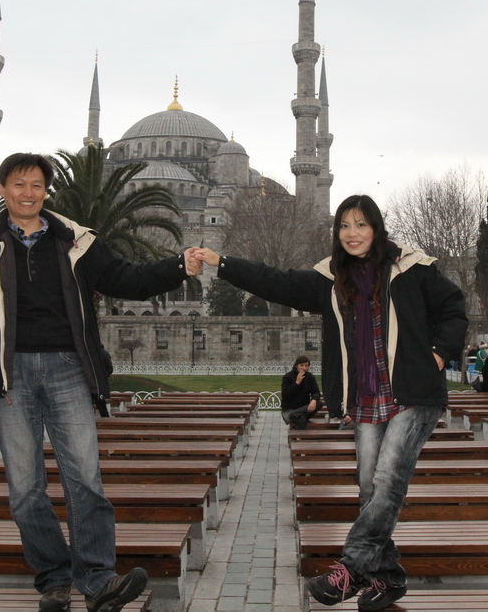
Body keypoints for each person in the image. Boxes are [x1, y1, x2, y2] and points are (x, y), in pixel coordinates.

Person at [0, 153, 206, 612]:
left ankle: (98, 580)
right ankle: (54, 579)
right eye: (18, 184)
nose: (27, 193)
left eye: (36, 185)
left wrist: (179, 266)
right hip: (8, 375)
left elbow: (127, 279)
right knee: (25, 490)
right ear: (1, 189)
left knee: (85, 479)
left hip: (67, 368)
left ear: (46, 192)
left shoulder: (75, 241)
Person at [199, 194, 467, 610]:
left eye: (361, 225)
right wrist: (222, 263)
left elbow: (453, 307)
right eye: (344, 226)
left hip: (413, 393)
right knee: (369, 486)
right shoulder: (330, 279)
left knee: (388, 479)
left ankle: (352, 569)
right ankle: (388, 577)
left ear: (376, 228)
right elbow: (275, 281)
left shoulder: (412, 268)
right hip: (366, 397)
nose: (352, 233)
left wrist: (438, 353)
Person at [281, 354, 324, 428]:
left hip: (304, 409)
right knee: (301, 420)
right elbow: (285, 395)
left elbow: (316, 392)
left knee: (319, 403)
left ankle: (296, 417)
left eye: (306, 366)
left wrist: (314, 400)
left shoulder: (310, 377)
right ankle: (295, 416)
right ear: (296, 365)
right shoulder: (288, 377)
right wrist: (297, 383)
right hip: (289, 410)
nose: (304, 368)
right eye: (302, 365)